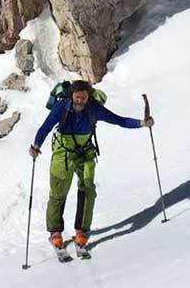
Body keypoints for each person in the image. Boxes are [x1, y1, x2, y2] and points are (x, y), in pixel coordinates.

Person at [28, 80, 153, 254]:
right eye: (77, 97)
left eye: (84, 98)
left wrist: (141, 123)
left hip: (85, 152)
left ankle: (82, 231)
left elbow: (119, 120)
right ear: (72, 95)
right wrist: (36, 146)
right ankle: (55, 232)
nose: (80, 101)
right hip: (63, 153)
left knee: (88, 190)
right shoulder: (61, 108)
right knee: (58, 192)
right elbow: (46, 127)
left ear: (88, 97)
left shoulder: (94, 109)